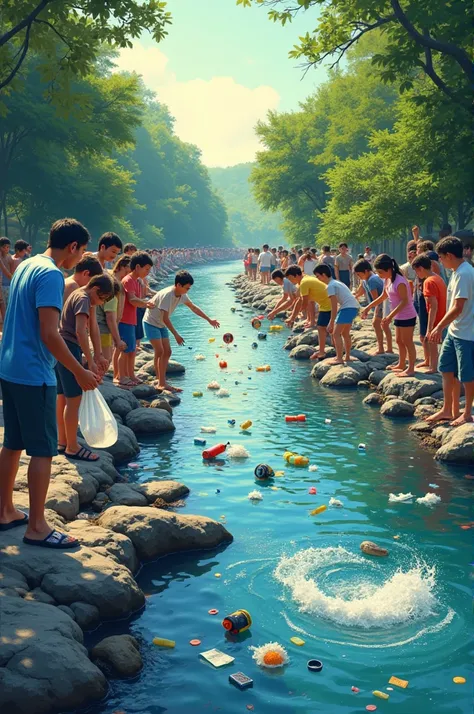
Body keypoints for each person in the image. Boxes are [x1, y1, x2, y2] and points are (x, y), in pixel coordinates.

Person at [0, 218, 97, 548]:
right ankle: (38, 527)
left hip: (9, 367)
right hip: (32, 373)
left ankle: (5, 511)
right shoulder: (52, 274)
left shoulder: (27, 264)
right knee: (42, 450)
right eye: (81, 252)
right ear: (72, 247)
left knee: (12, 443)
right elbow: (49, 333)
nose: (79, 259)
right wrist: (79, 371)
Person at [56, 274, 116, 461]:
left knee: (63, 396)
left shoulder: (83, 297)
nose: (101, 303)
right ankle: (72, 447)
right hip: (69, 347)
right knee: (74, 399)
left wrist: (98, 355)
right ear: (96, 289)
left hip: (61, 348)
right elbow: (80, 331)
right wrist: (89, 361)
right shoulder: (83, 298)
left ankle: (63, 441)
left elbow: (92, 328)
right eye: (102, 298)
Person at [143, 270, 220, 392]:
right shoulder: (168, 295)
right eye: (187, 288)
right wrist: (176, 335)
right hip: (151, 322)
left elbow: (193, 307)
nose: (188, 290)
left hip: (161, 324)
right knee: (159, 351)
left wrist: (209, 320)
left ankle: (161, 381)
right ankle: (161, 382)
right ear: (178, 285)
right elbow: (165, 318)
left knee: (167, 352)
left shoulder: (182, 294)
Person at [426, 237, 474, 426]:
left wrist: (439, 326)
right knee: (446, 368)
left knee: (467, 376)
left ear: (450, 255)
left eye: (441, 257)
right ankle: (448, 409)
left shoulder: (465, 274)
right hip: (455, 332)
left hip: (467, 333)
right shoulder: (456, 272)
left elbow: (458, 307)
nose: (441, 262)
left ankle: (467, 413)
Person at [362, 254, 417, 377]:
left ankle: (411, 368)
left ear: (389, 269)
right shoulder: (387, 280)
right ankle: (401, 364)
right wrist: (367, 307)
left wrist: (389, 316)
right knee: (399, 341)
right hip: (398, 315)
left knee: (407, 341)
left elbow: (405, 301)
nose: (379, 275)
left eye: (380, 272)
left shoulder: (400, 281)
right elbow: (383, 297)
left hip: (407, 315)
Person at [117, 251, 153, 387]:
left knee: (132, 350)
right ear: (137, 267)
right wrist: (146, 303)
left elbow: (138, 298)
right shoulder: (128, 280)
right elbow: (132, 300)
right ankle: (122, 376)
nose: (148, 272)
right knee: (125, 350)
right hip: (125, 320)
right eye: (147, 269)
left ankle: (131, 375)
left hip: (132, 319)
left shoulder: (138, 281)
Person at [313, 264, 360, 364]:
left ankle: (339, 358)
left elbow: (334, 305)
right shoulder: (337, 282)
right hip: (353, 307)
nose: (318, 279)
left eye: (318, 276)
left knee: (336, 333)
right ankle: (346, 356)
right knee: (345, 333)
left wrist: (331, 321)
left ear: (324, 274)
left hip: (347, 308)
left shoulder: (330, 286)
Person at [411, 254, 447, 374]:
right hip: (444, 316)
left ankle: (433, 367)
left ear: (420, 268)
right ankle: (430, 363)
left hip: (437, 318)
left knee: (431, 341)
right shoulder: (437, 277)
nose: (417, 274)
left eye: (416, 271)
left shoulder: (428, 282)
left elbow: (433, 306)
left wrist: (430, 328)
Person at [96, 255, 130, 367]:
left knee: (104, 359)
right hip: (104, 329)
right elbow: (110, 317)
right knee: (104, 360)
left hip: (105, 329)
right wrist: (118, 339)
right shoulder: (113, 287)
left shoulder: (114, 282)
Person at [353, 259, 393, 354]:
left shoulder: (372, 280)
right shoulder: (365, 280)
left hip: (383, 304)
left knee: (381, 325)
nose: (358, 277)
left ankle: (385, 348)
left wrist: (372, 310)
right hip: (379, 303)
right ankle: (384, 347)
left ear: (366, 271)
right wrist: (355, 296)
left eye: (359, 274)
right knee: (381, 325)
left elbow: (377, 298)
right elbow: (362, 290)